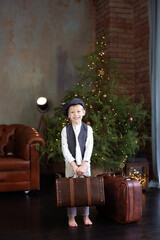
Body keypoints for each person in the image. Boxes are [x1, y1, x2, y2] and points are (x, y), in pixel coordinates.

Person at [61, 98, 94, 227]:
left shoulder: (88, 129)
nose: (76, 114)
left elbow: (89, 146)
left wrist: (84, 164)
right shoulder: (65, 130)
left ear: (84, 112)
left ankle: (86, 216)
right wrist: (73, 164)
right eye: (73, 112)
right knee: (71, 190)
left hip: (85, 163)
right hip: (71, 165)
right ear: (68, 115)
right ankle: (71, 217)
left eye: (78, 111)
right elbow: (65, 148)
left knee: (86, 190)